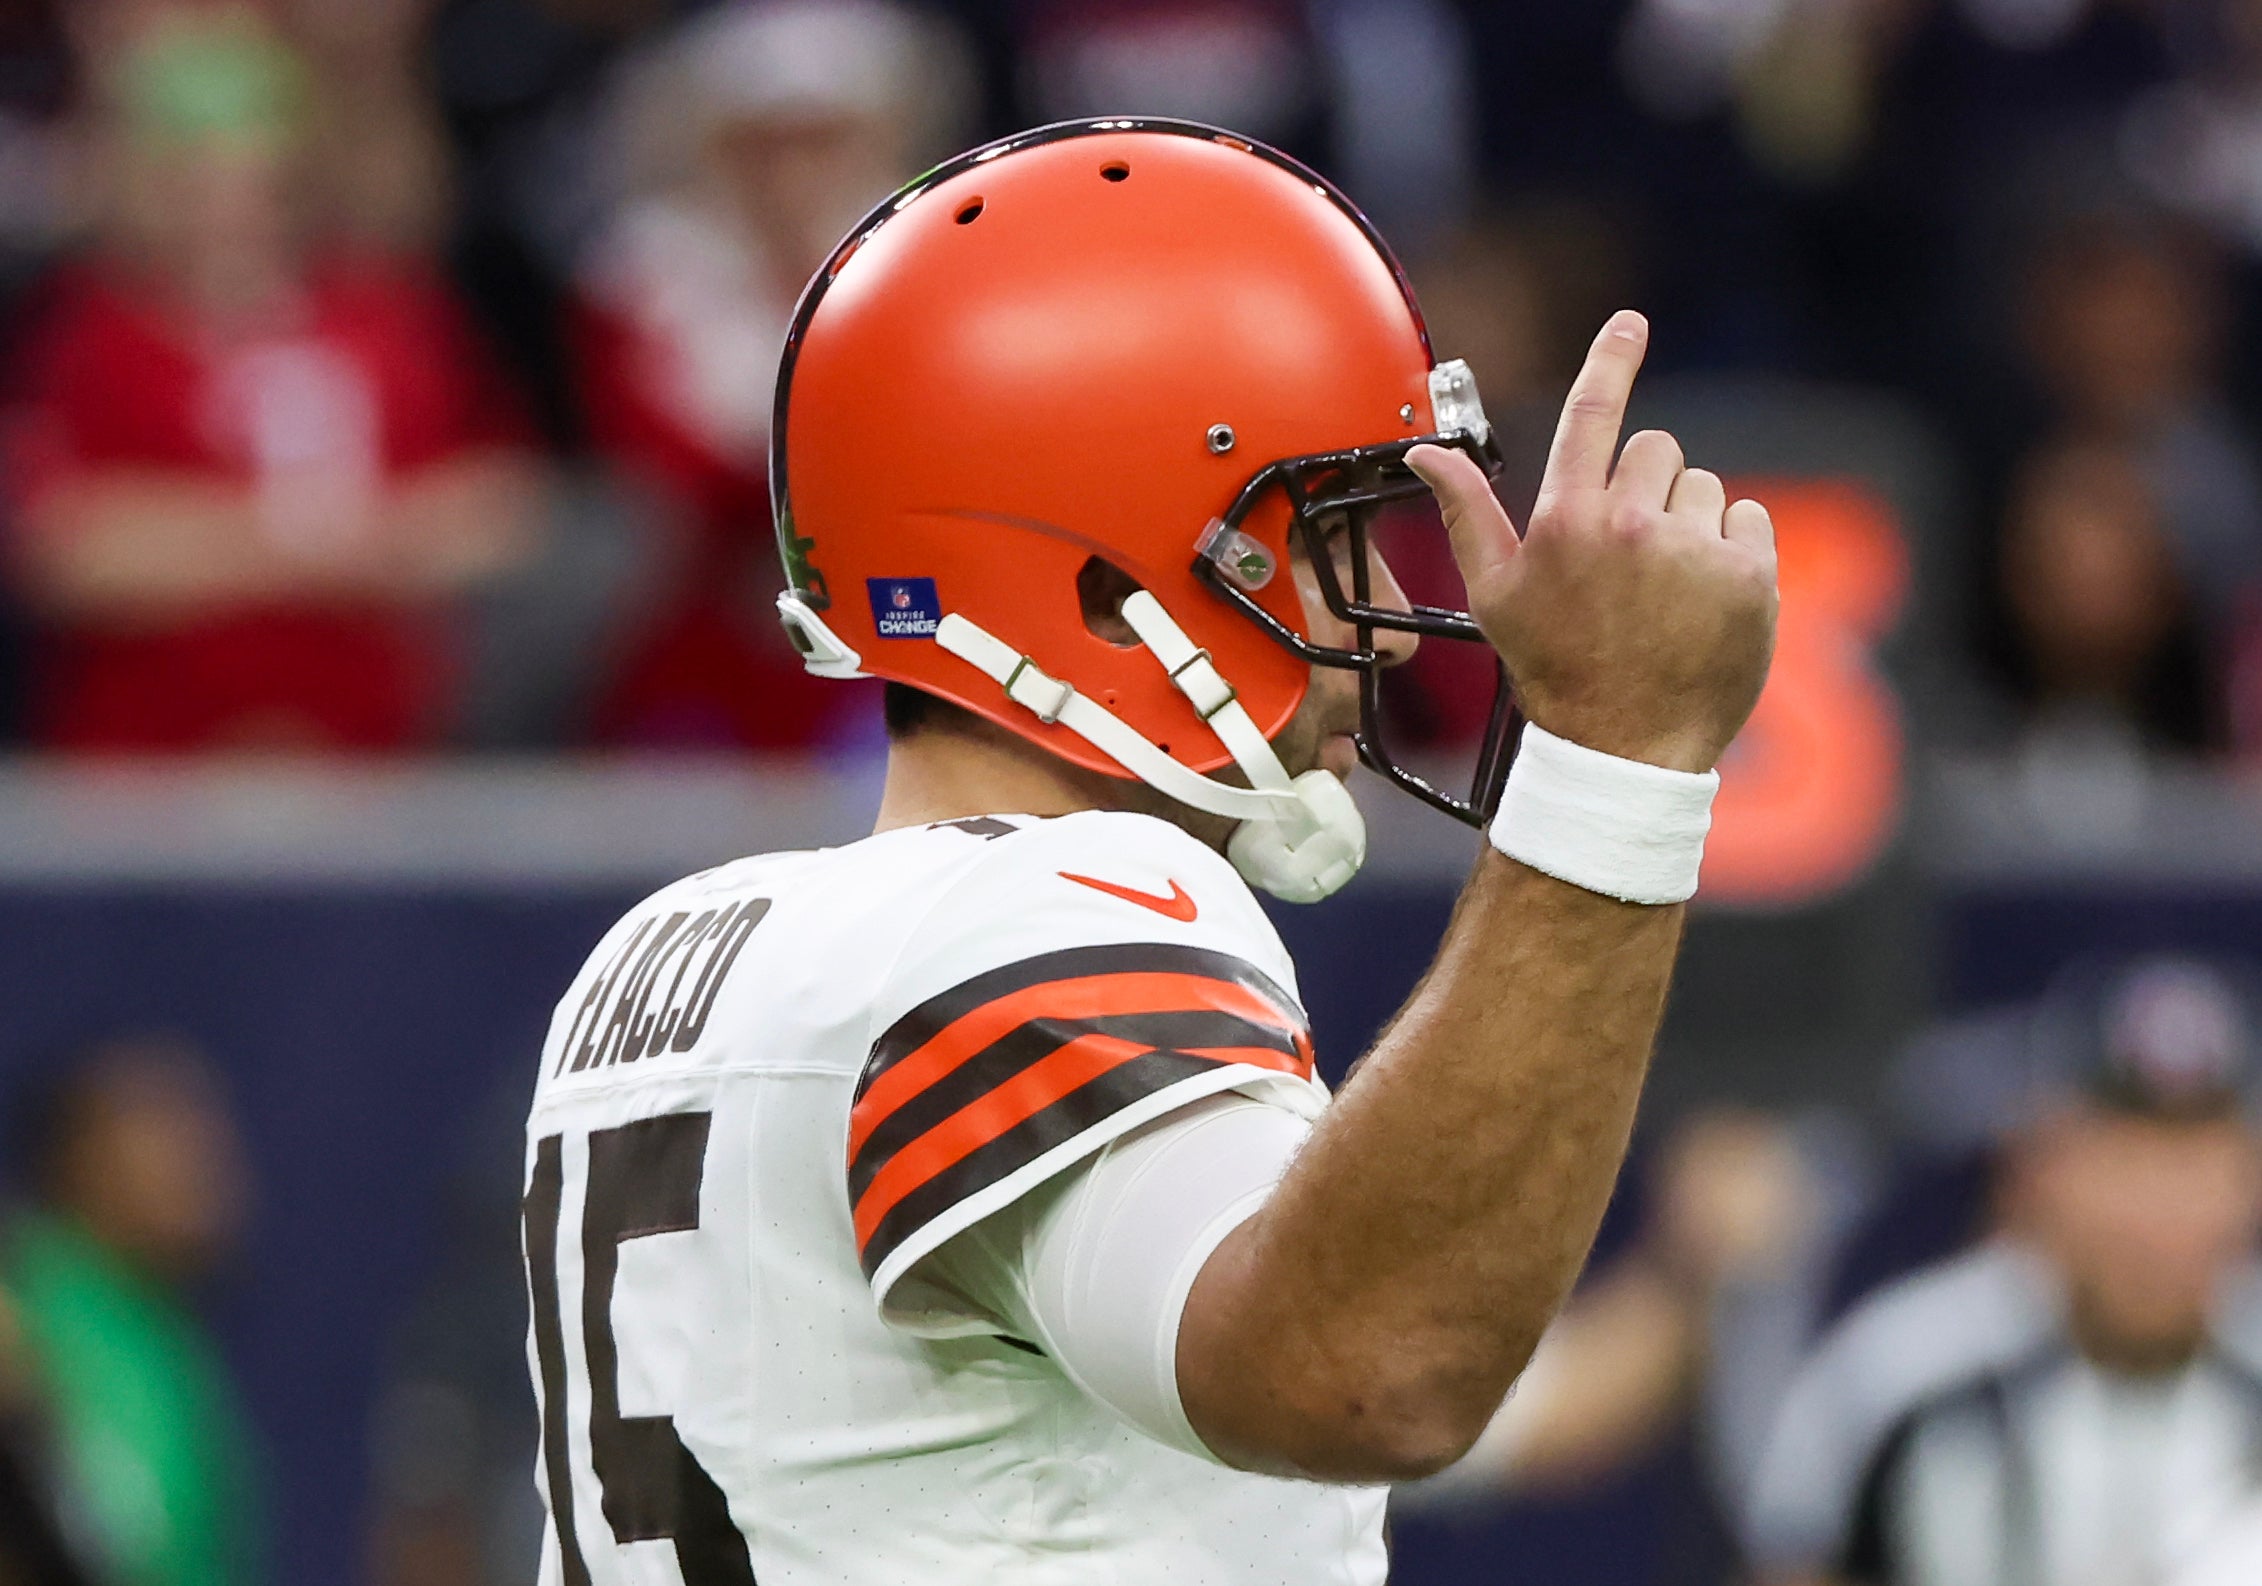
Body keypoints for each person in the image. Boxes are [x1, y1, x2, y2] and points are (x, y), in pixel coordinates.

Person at [520, 118, 1776, 1581]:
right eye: (1322, 535)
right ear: (1112, 589)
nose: (1373, 615)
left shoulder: (668, 952)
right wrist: (1617, 764)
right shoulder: (1046, 907)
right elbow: (1371, 1364)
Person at [1744, 955, 2262, 1586]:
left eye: (2194, 1163)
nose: (2159, 1212)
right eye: (2124, 1157)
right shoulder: (1900, 1373)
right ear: (2038, 1165)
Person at [4, 1035, 263, 1586]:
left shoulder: (162, 1340)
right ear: (78, 1155)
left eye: (203, 1123)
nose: (200, 1154)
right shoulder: (34, 1307)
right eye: (160, 1123)